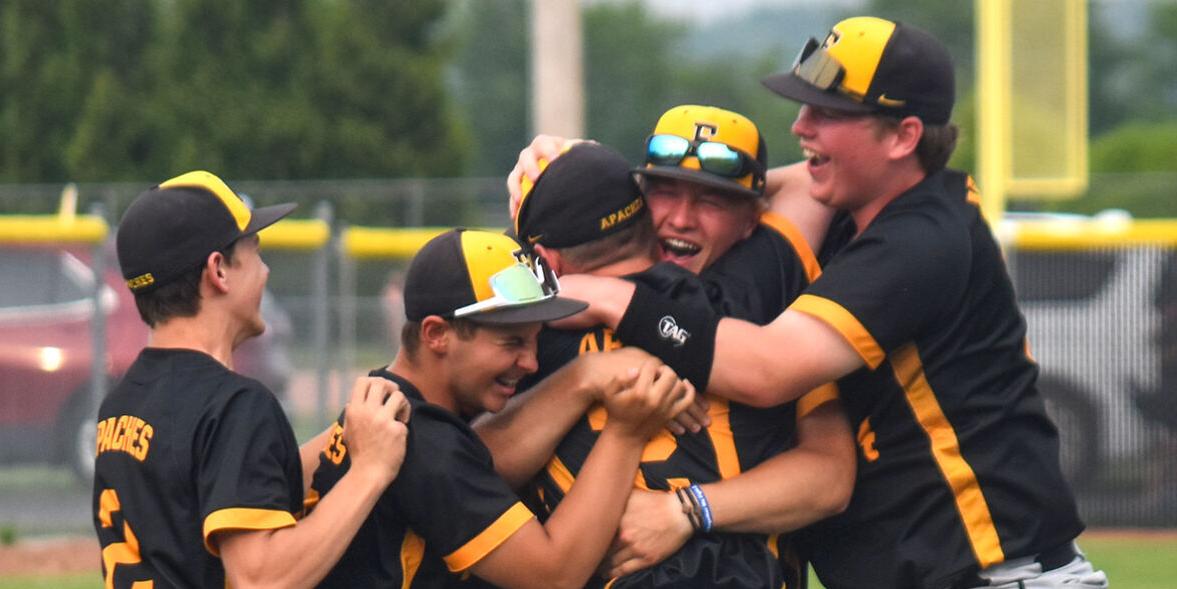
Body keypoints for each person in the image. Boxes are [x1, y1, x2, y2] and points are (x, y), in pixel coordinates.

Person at [565, 17, 1110, 589]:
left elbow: (766, 371)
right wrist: (586, 181)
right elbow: (786, 184)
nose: (803, 127)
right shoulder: (865, 208)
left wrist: (611, 298)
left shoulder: (922, 237)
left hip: (997, 578)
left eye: (829, 113)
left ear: (903, 136)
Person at [480, 121, 853, 587]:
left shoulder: (528, 327)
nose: (680, 218)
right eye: (663, 194)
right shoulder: (756, 306)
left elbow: (466, 466)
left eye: (712, 200)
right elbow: (807, 182)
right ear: (639, 207)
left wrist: (688, 509)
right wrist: (589, 375)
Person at [310, 228, 696, 588]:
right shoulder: (426, 445)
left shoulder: (388, 399)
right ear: (437, 335)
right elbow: (554, 575)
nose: (531, 362)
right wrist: (626, 432)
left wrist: (586, 374)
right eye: (511, 342)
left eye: (535, 341)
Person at [93, 170, 411, 588]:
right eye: (255, 252)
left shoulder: (123, 401)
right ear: (218, 270)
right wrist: (370, 471)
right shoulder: (234, 405)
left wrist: (351, 433)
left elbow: (239, 479)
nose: (264, 272)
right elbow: (261, 579)